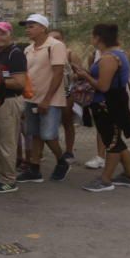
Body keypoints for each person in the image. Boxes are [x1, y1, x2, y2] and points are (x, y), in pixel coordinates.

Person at [73, 24, 130, 192]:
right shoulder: (116, 54)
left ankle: (105, 179)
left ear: (98, 38)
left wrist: (85, 75)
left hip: (107, 104)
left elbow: (103, 86)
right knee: (116, 140)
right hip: (112, 102)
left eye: (93, 36)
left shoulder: (109, 58)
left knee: (111, 142)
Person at [18, 13, 72, 183]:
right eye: (26, 26)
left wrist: (47, 99)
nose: (28, 29)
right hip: (31, 97)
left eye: (32, 26)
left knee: (48, 134)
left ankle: (62, 161)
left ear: (43, 28)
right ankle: (34, 169)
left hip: (50, 98)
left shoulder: (55, 46)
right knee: (34, 134)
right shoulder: (28, 48)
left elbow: (58, 73)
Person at [0, 22, 27, 194]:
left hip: (9, 101)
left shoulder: (15, 54)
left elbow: (19, 83)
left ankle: (9, 179)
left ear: (11, 35)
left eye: (2, 34)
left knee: (6, 142)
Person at [49, 29, 81, 164]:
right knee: (50, 125)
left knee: (67, 122)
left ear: (63, 39)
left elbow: (80, 73)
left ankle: (69, 151)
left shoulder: (69, 54)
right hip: (49, 93)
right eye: (52, 38)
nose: (55, 41)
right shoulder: (44, 52)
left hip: (66, 93)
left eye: (58, 38)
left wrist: (70, 75)